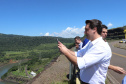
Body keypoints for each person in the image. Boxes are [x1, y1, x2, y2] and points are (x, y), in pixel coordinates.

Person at [58, 19, 112, 84]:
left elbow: (81, 63)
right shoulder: (90, 43)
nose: (84, 32)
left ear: (94, 29)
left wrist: (65, 52)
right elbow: (78, 54)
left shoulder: (101, 47)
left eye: (86, 30)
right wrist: (65, 49)